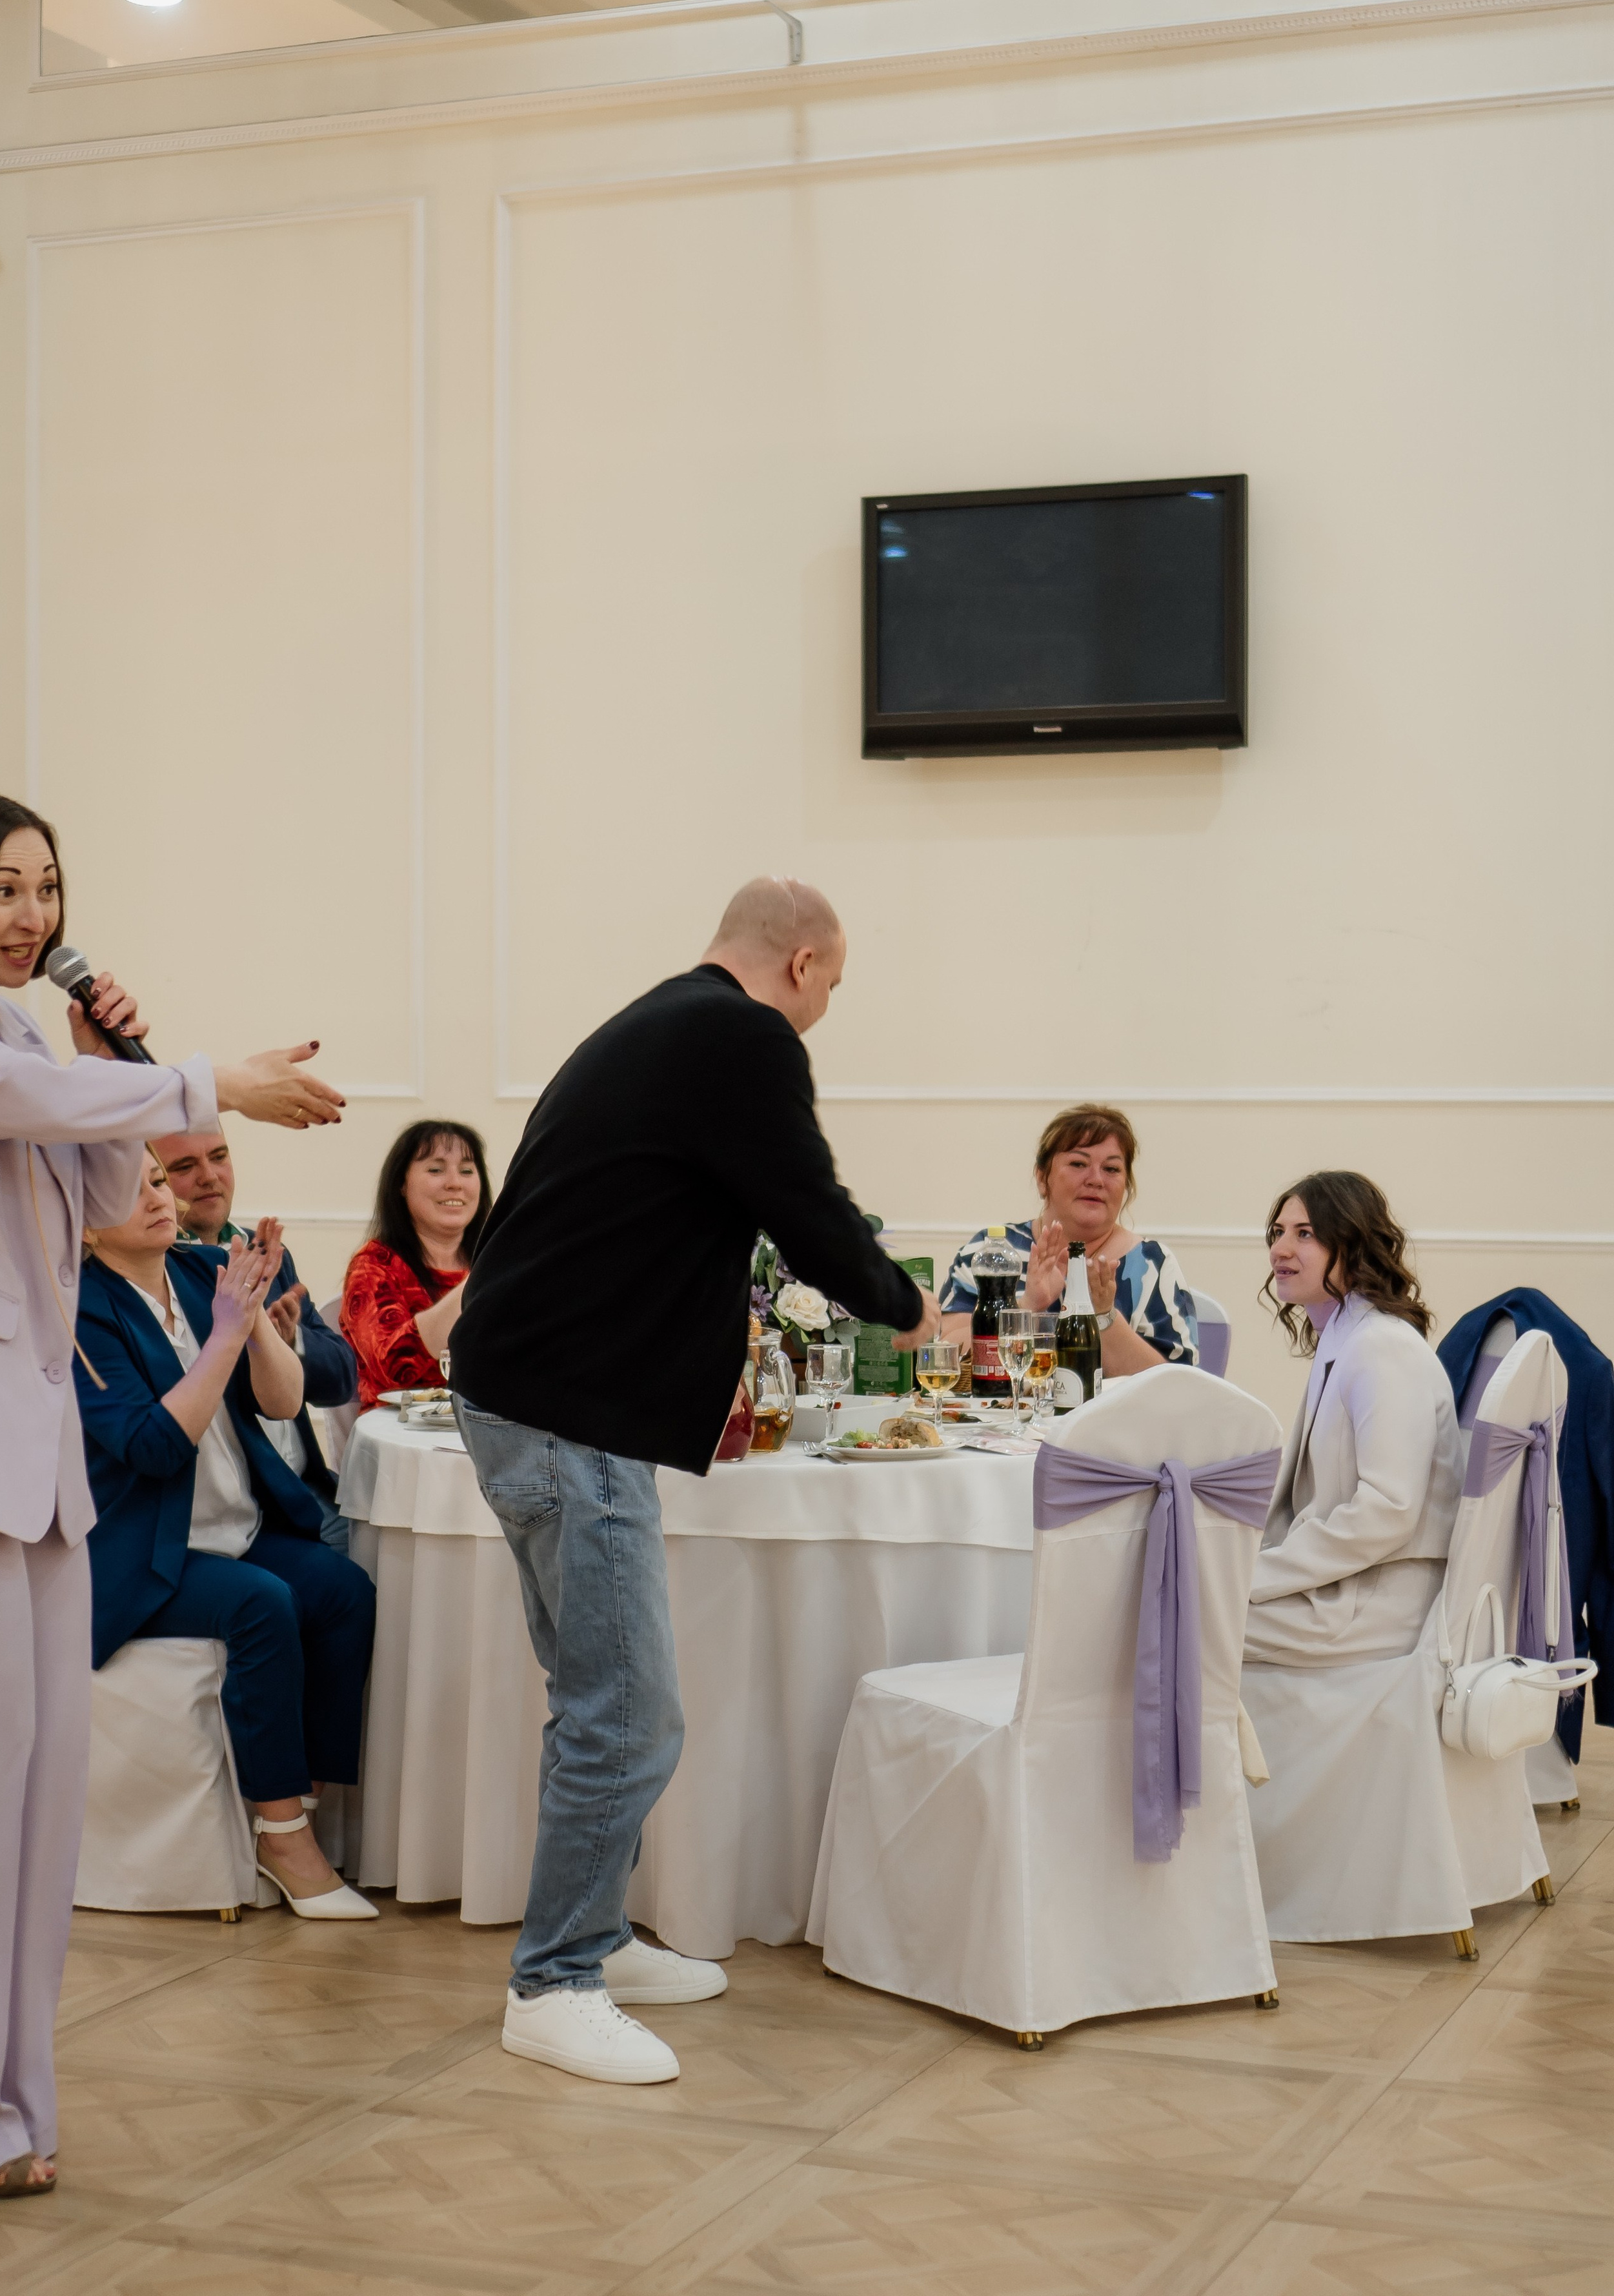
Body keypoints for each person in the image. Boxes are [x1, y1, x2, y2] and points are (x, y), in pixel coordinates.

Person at [450, 876, 940, 2086]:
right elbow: (808, 1207)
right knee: (630, 1714)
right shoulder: (741, 1034)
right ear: (808, 964)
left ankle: (597, 1941)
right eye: (835, 986)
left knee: (595, 1697)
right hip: (567, 1411)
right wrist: (906, 1306)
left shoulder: (660, 1021)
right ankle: (555, 1980)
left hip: (529, 1393)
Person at [0, 787, 343, 2202]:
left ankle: (6, 2109)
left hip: (34, 1467)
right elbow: (33, 1112)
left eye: (48, 888)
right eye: (4, 888)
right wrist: (204, 1079)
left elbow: (118, 1179)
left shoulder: (23, 1038)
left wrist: (109, 1046)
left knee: (35, 1802)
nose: (32, 916)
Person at [76, 1153, 378, 1918]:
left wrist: (257, 1333)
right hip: (141, 1552)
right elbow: (150, 1446)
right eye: (136, 1185)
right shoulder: (79, 1307)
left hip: (235, 1526)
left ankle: (297, 1804)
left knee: (343, 1591)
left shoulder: (204, 1267)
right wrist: (223, 1337)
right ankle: (283, 1836)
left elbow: (284, 1404)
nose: (160, 1194)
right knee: (262, 1605)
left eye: (155, 1178)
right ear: (82, 1218)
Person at [1244, 1171, 1464, 1666]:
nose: (1281, 1248)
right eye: (1278, 1232)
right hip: (1352, 1581)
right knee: (1181, 1607)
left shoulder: (1381, 1346)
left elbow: (1388, 1509)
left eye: (1305, 1234)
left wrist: (1258, 1576)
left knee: (1183, 1622)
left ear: (1354, 1245)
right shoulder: (1346, 1338)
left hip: (1382, 1598)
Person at [155, 1128, 359, 1549]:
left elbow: (341, 1379)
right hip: (236, 1512)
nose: (210, 1176)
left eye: (219, 1156)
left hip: (307, 1489)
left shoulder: (261, 1252)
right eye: (185, 1166)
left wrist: (291, 1343)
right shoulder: (155, 1275)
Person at [940, 1103, 1199, 1373]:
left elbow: (1178, 1385)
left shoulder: (1152, 1264)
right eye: (1079, 1164)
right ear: (1043, 1178)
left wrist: (1104, 1317)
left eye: (1111, 1169)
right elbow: (947, 1354)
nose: (1096, 1180)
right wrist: (1026, 1309)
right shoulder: (993, 1253)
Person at [339, 1121, 490, 1408]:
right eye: (436, 1170)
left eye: (467, 1171)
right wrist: (483, 1279)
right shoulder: (374, 1266)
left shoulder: (487, 1260)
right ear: (402, 1185)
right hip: (402, 1435)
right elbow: (397, 1370)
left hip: (488, 1433)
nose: (455, 1183)